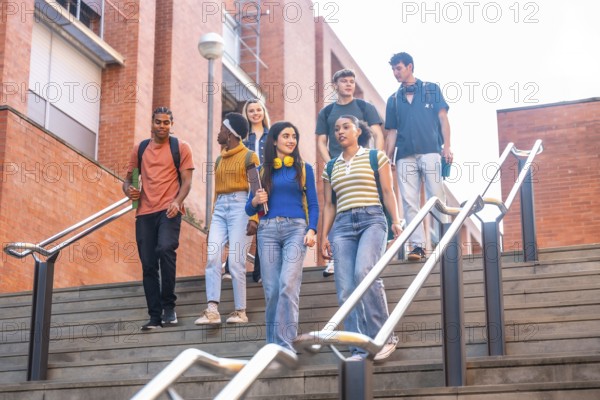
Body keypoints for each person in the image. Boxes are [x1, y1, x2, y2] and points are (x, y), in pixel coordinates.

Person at [321, 115, 402, 361]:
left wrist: (396, 220)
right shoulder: (330, 166)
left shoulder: (375, 156)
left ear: (357, 131)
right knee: (345, 288)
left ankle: (383, 337)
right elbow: (328, 204)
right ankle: (358, 347)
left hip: (372, 219)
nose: (340, 132)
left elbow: (388, 191)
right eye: (336, 129)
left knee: (364, 273)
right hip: (343, 226)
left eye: (346, 127)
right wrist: (324, 234)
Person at [245, 121, 319, 352]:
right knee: (272, 289)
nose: (291, 140)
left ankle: (285, 344)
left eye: (294, 136)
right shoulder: (261, 171)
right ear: (274, 140)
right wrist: (256, 201)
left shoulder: (304, 169)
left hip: (296, 230)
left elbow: (314, 205)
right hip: (267, 230)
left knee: (288, 284)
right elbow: (249, 209)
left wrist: (312, 229)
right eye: (286, 136)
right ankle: (272, 346)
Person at [123, 106, 194, 331]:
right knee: (148, 264)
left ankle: (168, 307)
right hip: (144, 212)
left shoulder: (180, 148)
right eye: (158, 122)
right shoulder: (140, 149)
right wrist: (130, 190)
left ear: (171, 125)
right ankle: (154, 317)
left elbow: (187, 182)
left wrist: (177, 202)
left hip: (169, 210)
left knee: (165, 249)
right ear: (151, 123)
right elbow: (129, 180)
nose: (162, 126)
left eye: (166, 122)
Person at [316, 68, 385, 277]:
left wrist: (375, 159)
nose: (349, 84)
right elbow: (320, 141)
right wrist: (330, 164)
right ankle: (336, 259)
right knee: (337, 209)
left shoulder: (365, 106)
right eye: (344, 81)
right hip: (338, 168)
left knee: (370, 207)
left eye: (352, 81)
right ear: (335, 85)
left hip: (363, 166)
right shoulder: (327, 112)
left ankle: (371, 257)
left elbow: (378, 134)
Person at [384, 52, 453, 261]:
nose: (396, 73)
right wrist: (388, 157)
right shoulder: (393, 99)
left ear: (410, 67)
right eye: (393, 69)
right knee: (409, 202)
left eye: (399, 68)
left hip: (431, 150)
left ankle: (447, 243)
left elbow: (443, 119)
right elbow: (392, 132)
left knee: (437, 197)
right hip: (404, 155)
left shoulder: (431, 89)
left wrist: (447, 146)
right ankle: (418, 247)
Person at [195, 112, 259, 325]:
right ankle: (212, 310)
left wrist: (254, 218)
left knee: (236, 261)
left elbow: (256, 188)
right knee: (213, 255)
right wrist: (213, 218)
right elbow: (216, 193)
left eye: (222, 129)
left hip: (242, 206)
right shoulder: (219, 160)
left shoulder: (250, 156)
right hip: (220, 209)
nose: (219, 133)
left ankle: (240, 311)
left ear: (231, 133)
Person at [222, 98, 272, 282]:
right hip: (246, 183)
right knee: (242, 224)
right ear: (247, 114)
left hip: (266, 182)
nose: (255, 113)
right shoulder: (241, 137)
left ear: (263, 112)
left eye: (259, 110)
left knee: (264, 226)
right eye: (251, 111)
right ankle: (229, 267)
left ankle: (259, 273)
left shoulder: (272, 135)